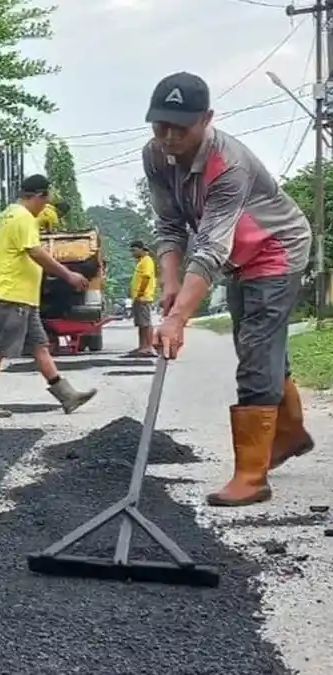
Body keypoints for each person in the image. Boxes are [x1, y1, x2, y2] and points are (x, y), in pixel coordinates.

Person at [143, 72, 314, 507]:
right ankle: (289, 434)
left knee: (256, 351)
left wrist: (179, 316)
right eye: (159, 125)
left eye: (179, 127)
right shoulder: (155, 155)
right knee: (257, 345)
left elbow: (211, 245)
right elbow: (169, 225)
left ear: (207, 119)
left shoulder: (229, 163)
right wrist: (170, 282)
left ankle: (252, 477)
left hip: (275, 250)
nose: (167, 137)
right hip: (240, 256)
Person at [0, 175, 98, 418]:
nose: (46, 205)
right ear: (39, 195)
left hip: (23, 298)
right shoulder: (22, 217)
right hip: (9, 295)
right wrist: (68, 275)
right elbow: (36, 253)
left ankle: (67, 395)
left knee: (40, 347)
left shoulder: (9, 213)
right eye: (46, 199)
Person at [126, 240, 157, 357]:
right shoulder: (141, 262)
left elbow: (146, 278)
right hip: (138, 298)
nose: (132, 253)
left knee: (146, 324)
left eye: (134, 250)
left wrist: (140, 293)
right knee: (140, 324)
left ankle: (148, 347)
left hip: (143, 298)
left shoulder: (147, 261)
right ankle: (142, 347)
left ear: (141, 249)